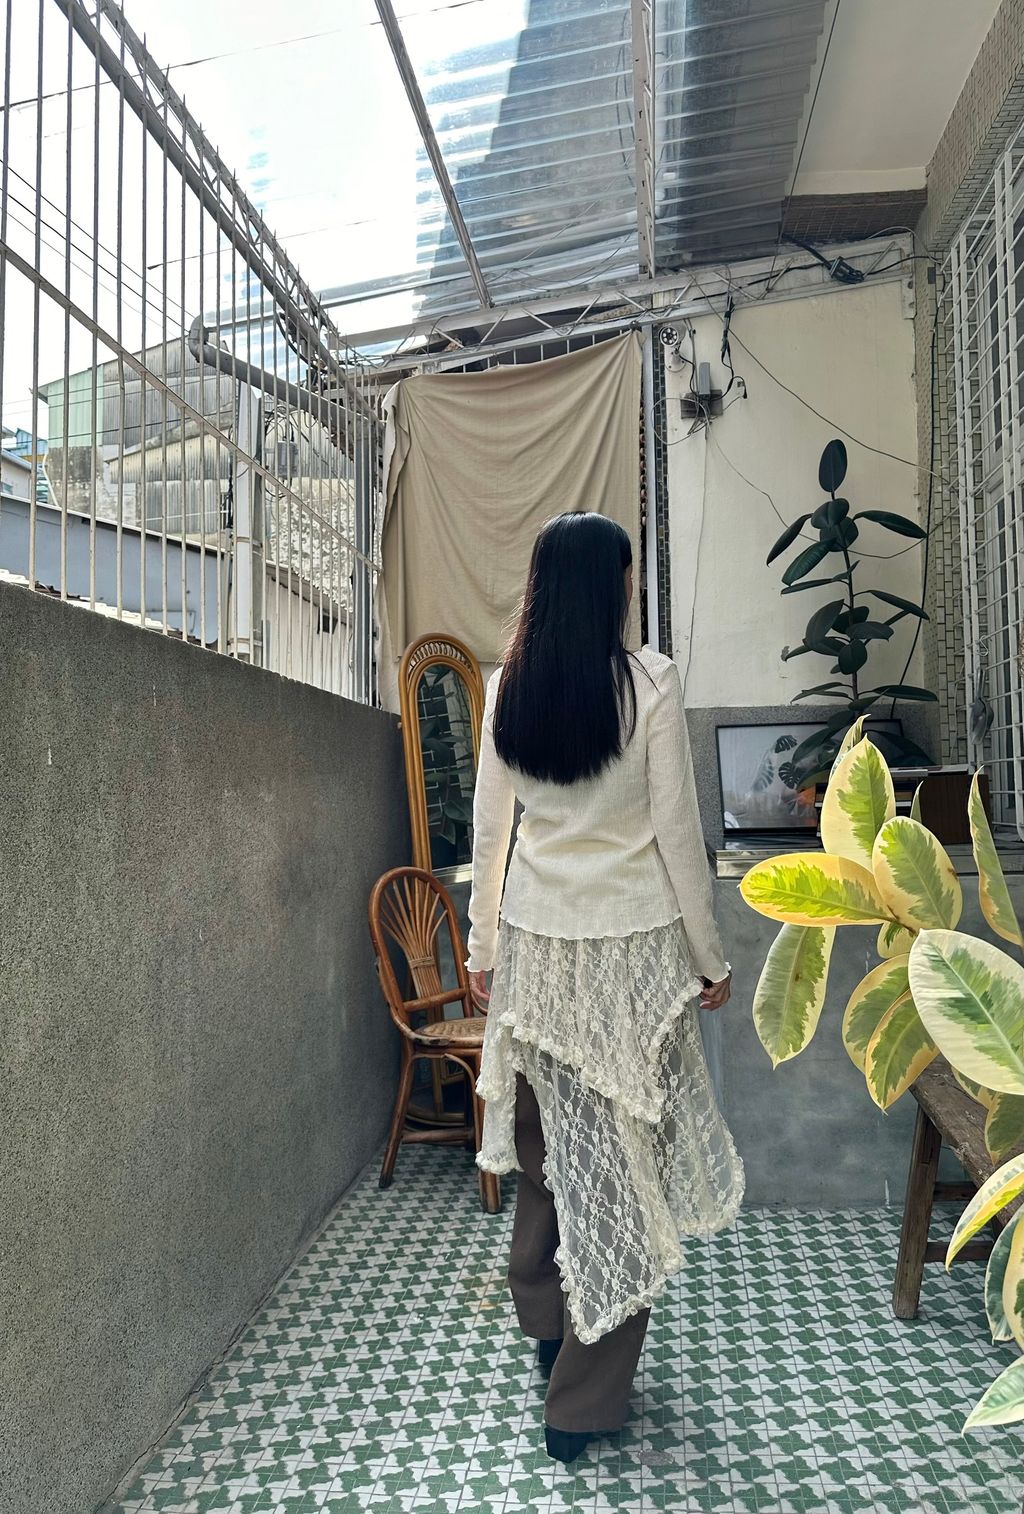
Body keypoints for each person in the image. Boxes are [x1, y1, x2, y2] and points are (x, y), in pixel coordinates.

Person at [465, 510, 744, 1465]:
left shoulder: (508, 688)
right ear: (612, 585)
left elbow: (491, 834)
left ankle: (547, 1320)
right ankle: (579, 1404)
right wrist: (710, 959)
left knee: (550, 1153)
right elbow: (677, 834)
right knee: (623, 1172)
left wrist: (482, 951)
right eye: (627, 577)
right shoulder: (650, 684)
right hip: (633, 960)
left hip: (538, 957)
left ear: (543, 588)